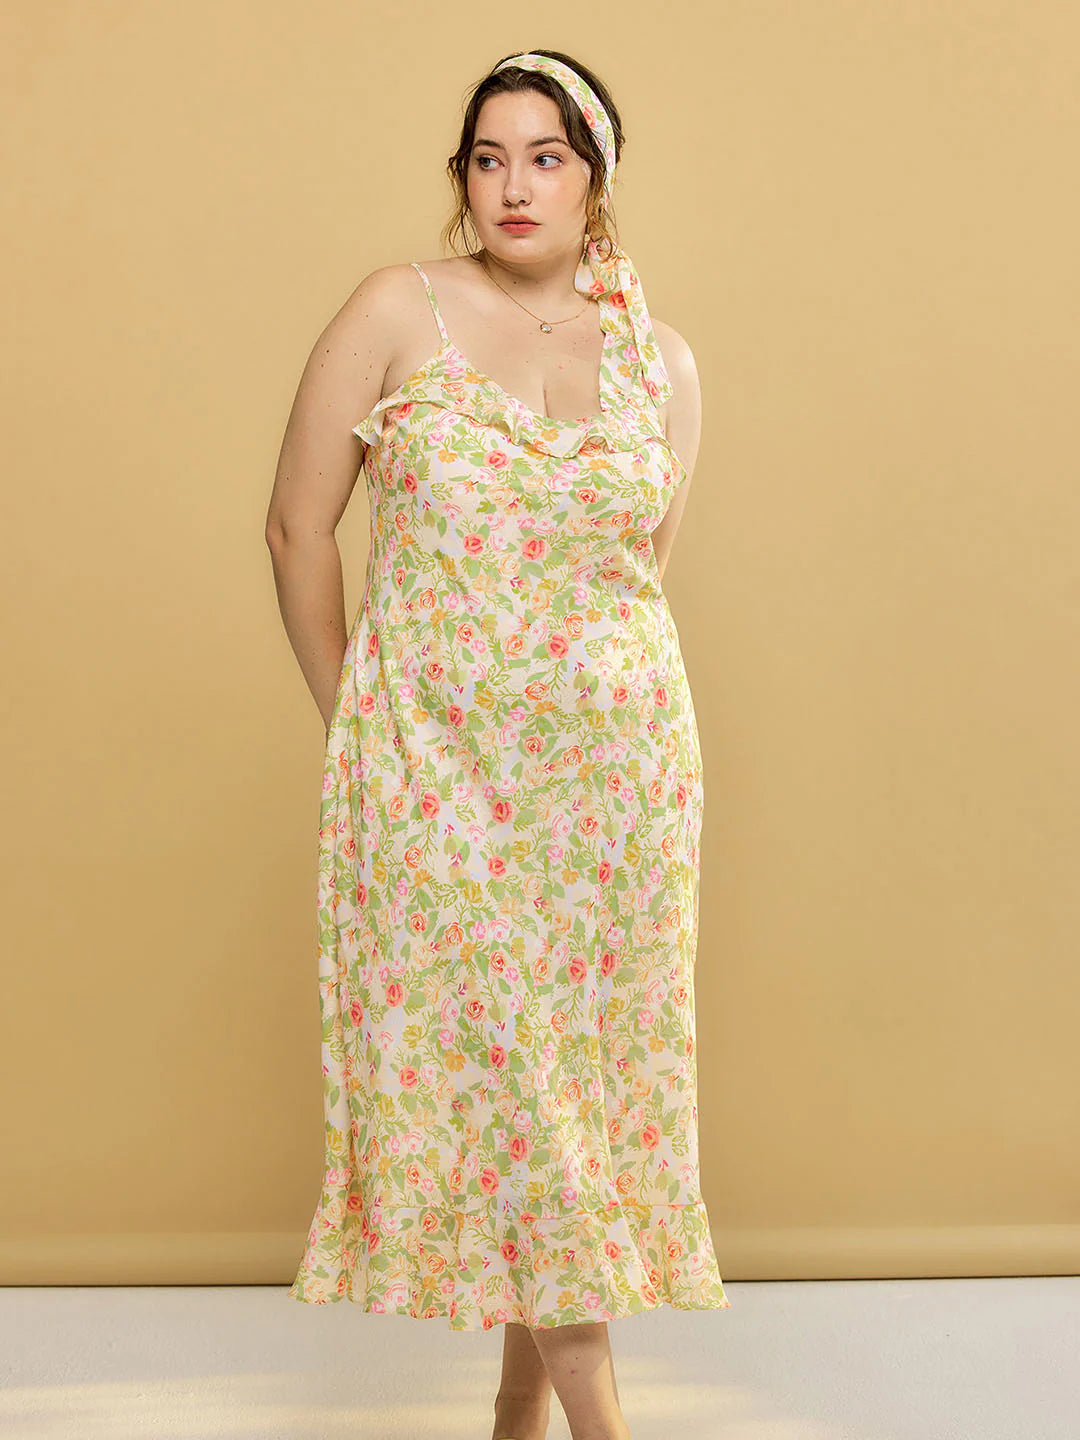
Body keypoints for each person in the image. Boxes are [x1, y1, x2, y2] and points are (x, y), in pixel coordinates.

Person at [265, 47, 731, 1440]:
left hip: (620, 790)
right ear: (461, 178)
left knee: (571, 1091)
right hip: (437, 777)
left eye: (546, 156)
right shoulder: (396, 310)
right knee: (518, 1082)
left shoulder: (661, 359)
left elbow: (636, 574)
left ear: (596, 179)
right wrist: (360, 722)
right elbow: (296, 529)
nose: (513, 185)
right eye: (487, 158)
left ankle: (516, 1419)